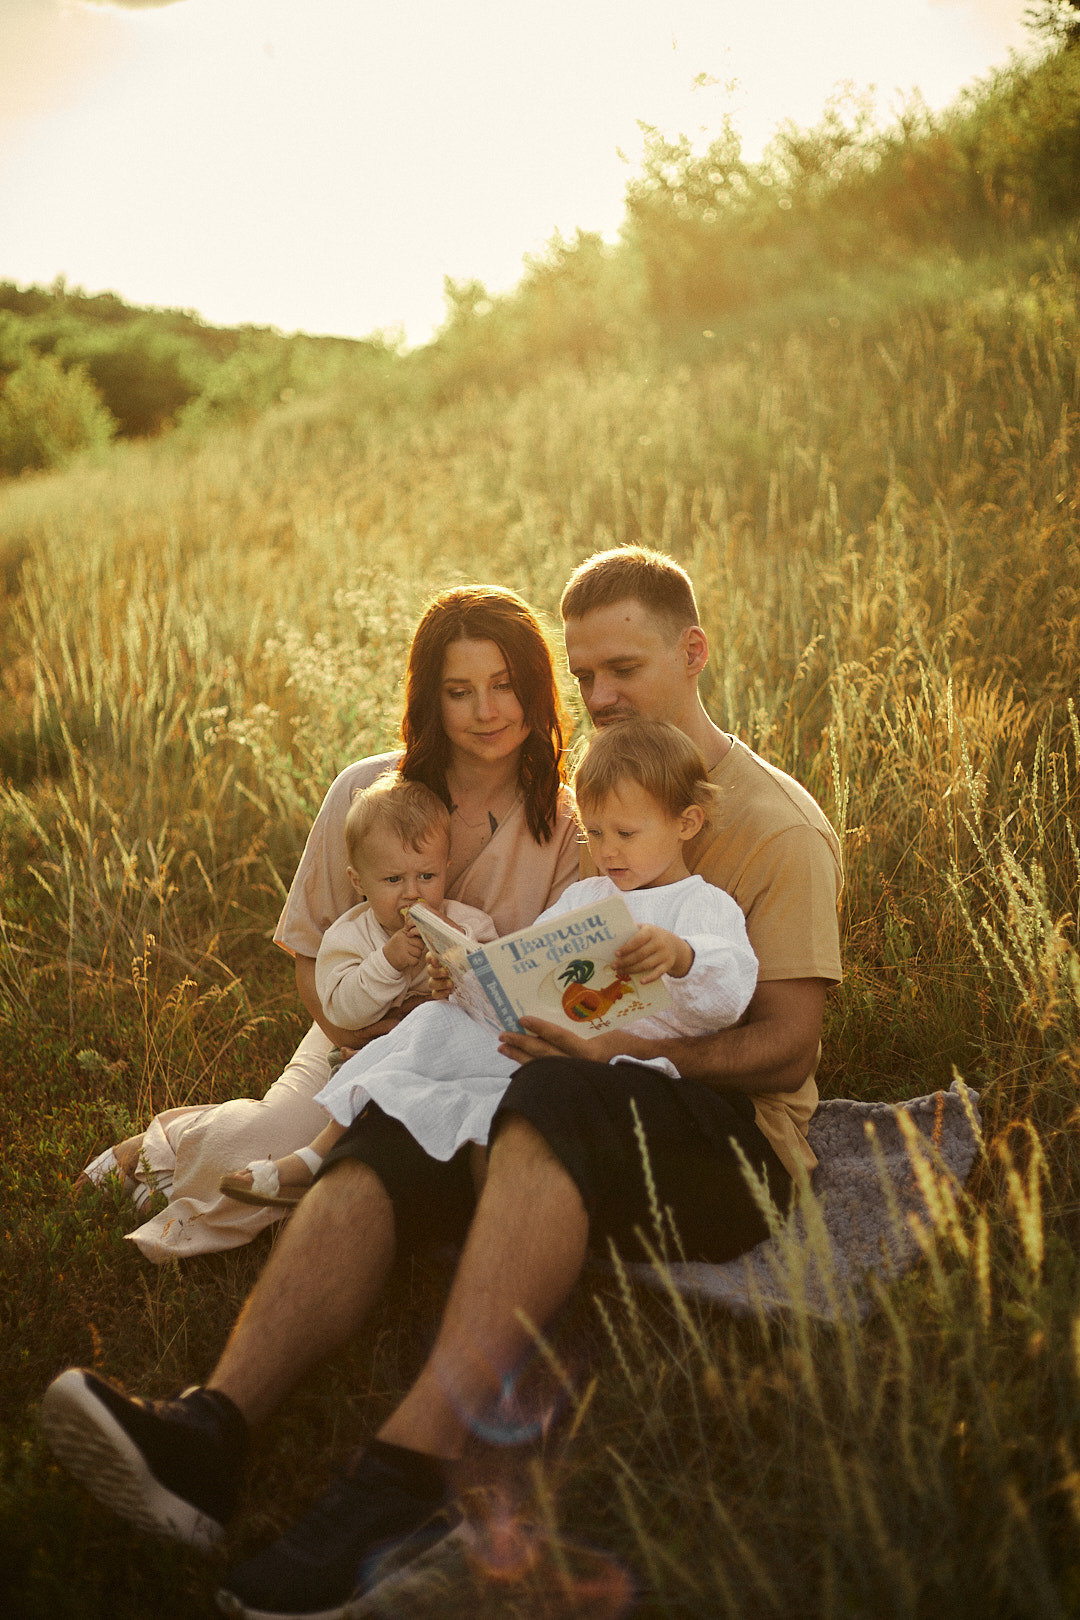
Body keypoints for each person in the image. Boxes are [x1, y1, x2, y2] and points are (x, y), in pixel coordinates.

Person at [42, 547, 843, 1620]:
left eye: (625, 669)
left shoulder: (774, 824)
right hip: (584, 1082)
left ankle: (408, 1475)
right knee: (405, 1117)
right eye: (585, 674)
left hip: (728, 1143)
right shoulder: (596, 796)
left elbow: (788, 1047)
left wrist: (613, 1056)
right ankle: (210, 1428)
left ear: (693, 653)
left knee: (553, 1100)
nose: (600, 695)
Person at [75, 585, 579, 1260]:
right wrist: (349, 1035)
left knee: (387, 1187)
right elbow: (310, 949)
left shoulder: (567, 824)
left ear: (537, 688)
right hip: (353, 1024)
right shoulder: (365, 790)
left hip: (474, 1055)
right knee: (255, 1153)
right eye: (459, 691)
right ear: (431, 698)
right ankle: (173, 1144)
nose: (486, 711)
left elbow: (553, 978)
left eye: (505, 685)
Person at [220, 718, 759, 1200]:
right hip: (548, 1040)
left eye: (625, 833)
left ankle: (467, 1204)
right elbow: (526, 967)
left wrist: (683, 957)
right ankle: (319, 1152)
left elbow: (730, 993)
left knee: (500, 1103)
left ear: (686, 823)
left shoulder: (701, 904)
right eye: (594, 833)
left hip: (626, 1069)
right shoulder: (585, 896)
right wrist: (463, 977)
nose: (608, 850)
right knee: (432, 1023)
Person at [219, 771, 500, 1206]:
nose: (412, 894)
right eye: (392, 880)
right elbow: (343, 1011)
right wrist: (387, 963)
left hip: (449, 1066)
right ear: (358, 882)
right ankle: (320, 1163)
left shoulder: (470, 925)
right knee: (372, 1087)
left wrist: (456, 965)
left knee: (434, 1028)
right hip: (367, 1057)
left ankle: (319, 1163)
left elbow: (496, 998)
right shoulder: (349, 937)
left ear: (446, 868)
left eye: (427, 876)